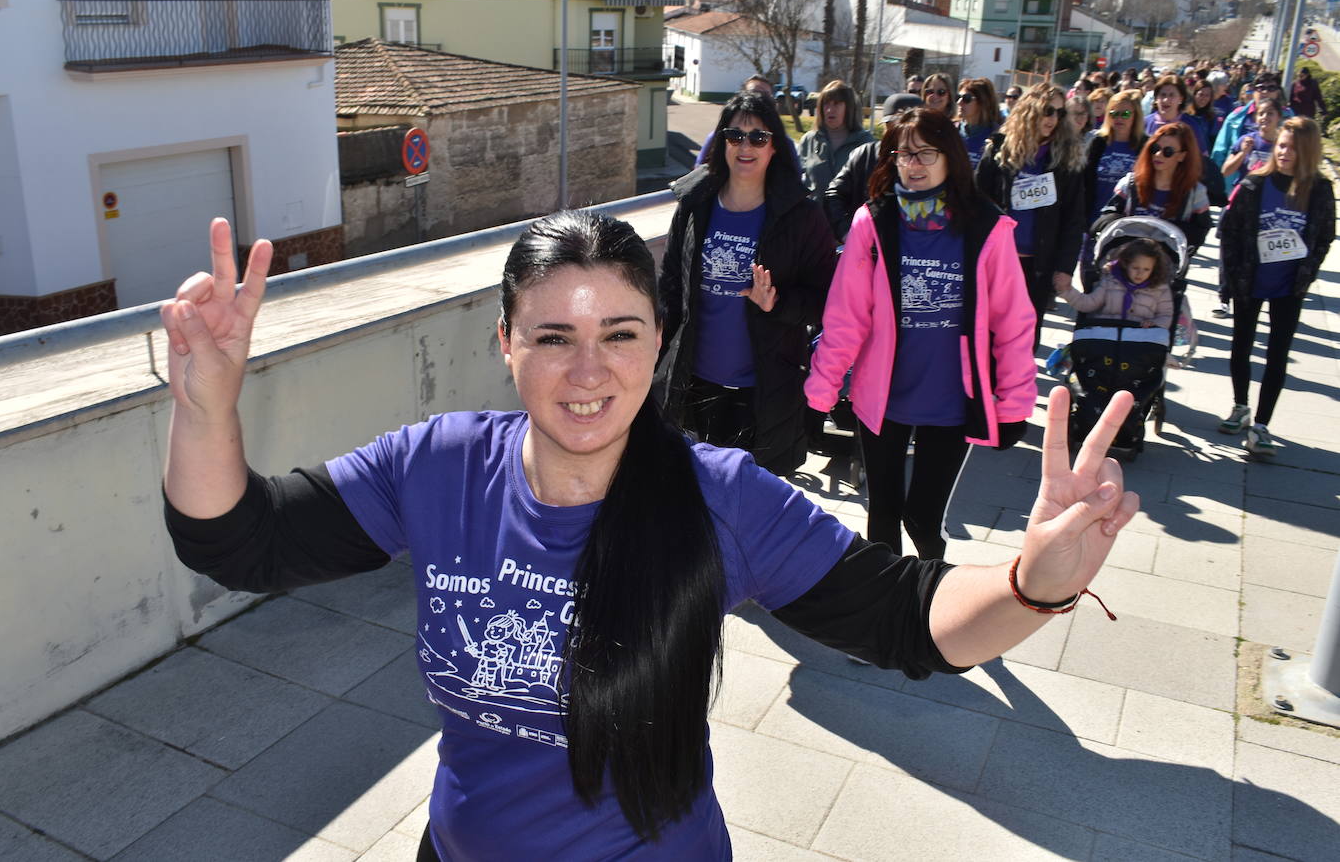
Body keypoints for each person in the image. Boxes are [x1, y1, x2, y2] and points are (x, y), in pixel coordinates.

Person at [160, 209, 1138, 860]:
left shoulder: (719, 496)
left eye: (620, 333)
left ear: (659, 339)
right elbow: (239, 542)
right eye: (551, 336)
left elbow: (906, 619)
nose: (588, 372)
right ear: (505, 344)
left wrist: (1027, 581)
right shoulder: (438, 465)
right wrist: (204, 405)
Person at [805, 108, 1036, 561]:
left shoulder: (985, 226)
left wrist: (1013, 403)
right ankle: (883, 610)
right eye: (903, 153)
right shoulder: (873, 222)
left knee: (923, 522)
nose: (913, 163)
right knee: (882, 519)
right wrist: (823, 386)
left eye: (925, 152)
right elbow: (846, 314)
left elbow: (1013, 322)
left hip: (951, 401)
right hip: (883, 396)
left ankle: (934, 603)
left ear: (949, 155)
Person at [656, 90, 837, 476]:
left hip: (764, 390)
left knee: (751, 511)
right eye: (735, 136)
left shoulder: (801, 216)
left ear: (775, 147)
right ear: (721, 142)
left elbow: (827, 299)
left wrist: (778, 303)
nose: (745, 146)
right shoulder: (696, 204)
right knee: (696, 500)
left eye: (758, 137)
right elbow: (670, 286)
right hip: (694, 383)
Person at [1216, 116, 1335, 458]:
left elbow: (1324, 236)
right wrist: (1230, 280)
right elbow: (1231, 232)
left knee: (1277, 354)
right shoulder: (1254, 184)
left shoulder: (1320, 191)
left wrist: (1307, 272)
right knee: (1241, 345)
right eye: (1282, 145)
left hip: (1288, 286)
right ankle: (1240, 406)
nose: (1284, 153)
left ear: (1308, 152)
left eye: (1294, 149)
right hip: (1249, 281)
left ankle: (1262, 425)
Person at [975, 82, 1086, 351]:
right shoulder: (999, 149)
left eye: (1060, 113)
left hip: (1038, 263)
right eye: (1048, 111)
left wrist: (1064, 268)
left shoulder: (1066, 158)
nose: (1053, 119)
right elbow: (976, 201)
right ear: (1029, 110)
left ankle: (1017, 389)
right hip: (998, 259)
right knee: (988, 332)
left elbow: (1074, 218)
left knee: (1025, 334)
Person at [1097, 122, 1212, 259]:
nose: (1158, 154)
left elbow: (1200, 230)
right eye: (1155, 148)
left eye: (1168, 152)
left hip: (1166, 269)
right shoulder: (1130, 183)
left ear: (1182, 156)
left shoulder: (1195, 193)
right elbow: (1109, 215)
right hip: (1125, 262)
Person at [823, 92, 923, 241]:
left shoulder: (930, 161)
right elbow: (833, 195)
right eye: (894, 125)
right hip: (868, 247)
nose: (901, 132)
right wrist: (847, 233)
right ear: (885, 126)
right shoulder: (865, 155)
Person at [1054, 238, 1174, 328]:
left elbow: (1166, 315)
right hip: (1107, 336)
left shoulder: (1160, 289)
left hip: (1140, 341)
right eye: (1135, 268)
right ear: (1126, 264)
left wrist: (1155, 324)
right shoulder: (1111, 281)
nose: (1140, 273)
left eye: (1146, 269)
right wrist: (1067, 291)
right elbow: (1089, 304)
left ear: (1154, 269)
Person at [694, 75, 801, 170]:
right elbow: (699, 169)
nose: (746, 147)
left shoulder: (784, 141)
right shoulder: (717, 136)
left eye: (760, 138)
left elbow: (795, 177)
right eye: (734, 136)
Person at [797, 79, 875, 204]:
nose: (829, 110)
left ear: (849, 108)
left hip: (851, 220)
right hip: (814, 220)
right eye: (826, 104)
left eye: (836, 104)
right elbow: (797, 184)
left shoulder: (866, 142)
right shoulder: (809, 140)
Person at [1084, 91, 1147, 226]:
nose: (1119, 118)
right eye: (1113, 113)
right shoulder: (1098, 142)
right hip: (1094, 218)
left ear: (1136, 116)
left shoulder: (1145, 145)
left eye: (1125, 114)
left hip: (1127, 222)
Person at [1144, 74, 1210, 155]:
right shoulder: (1145, 123)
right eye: (1162, 95)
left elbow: (1202, 156)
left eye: (1172, 95)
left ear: (1181, 99)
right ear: (1156, 98)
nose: (1166, 100)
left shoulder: (1191, 125)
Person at [1222, 97, 1282, 180]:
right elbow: (1225, 171)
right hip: (1245, 190)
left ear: (1279, 117)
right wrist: (1243, 153)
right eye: (1261, 114)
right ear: (1256, 118)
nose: (1265, 117)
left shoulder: (1283, 144)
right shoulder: (1246, 140)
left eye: (1270, 113)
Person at [955, 77, 1001, 171]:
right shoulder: (951, 130)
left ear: (983, 102)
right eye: (958, 97)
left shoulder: (998, 136)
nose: (959, 102)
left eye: (966, 99)